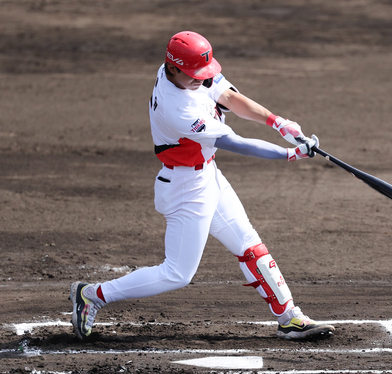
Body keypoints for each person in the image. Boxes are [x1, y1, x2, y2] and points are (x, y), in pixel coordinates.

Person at [70, 31, 335, 341]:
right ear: (173, 68)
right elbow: (234, 142)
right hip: (186, 188)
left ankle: (289, 317)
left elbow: (231, 98)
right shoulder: (177, 107)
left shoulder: (187, 71)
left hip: (207, 175)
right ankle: (93, 294)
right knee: (177, 273)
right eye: (195, 75)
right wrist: (290, 154)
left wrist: (278, 122)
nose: (203, 80)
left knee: (249, 244)